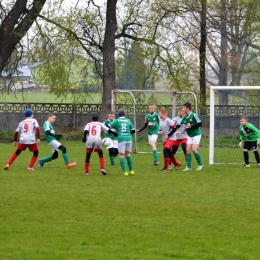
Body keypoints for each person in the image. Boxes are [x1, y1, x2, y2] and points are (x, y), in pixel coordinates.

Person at [82, 112, 117, 176]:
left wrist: (84, 138)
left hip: (90, 139)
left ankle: (86, 172)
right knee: (100, 154)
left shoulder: (88, 124)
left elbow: (86, 131)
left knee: (88, 155)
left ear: (91, 118)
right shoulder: (100, 124)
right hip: (98, 139)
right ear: (98, 118)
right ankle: (102, 168)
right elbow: (108, 130)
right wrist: (115, 134)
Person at [175, 102, 204, 171]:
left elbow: (200, 124)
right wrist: (172, 129)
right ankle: (189, 167)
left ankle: (201, 164)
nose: (183, 109)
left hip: (196, 134)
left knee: (194, 149)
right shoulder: (185, 117)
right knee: (187, 149)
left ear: (188, 109)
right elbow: (179, 125)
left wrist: (192, 126)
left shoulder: (194, 115)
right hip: (190, 135)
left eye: (184, 108)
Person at [109, 108, 135, 176]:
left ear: (118, 115)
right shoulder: (128, 120)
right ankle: (131, 170)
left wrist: (113, 131)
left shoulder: (117, 121)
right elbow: (133, 130)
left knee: (121, 154)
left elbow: (109, 126)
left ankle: (125, 171)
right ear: (125, 114)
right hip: (129, 138)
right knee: (128, 154)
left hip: (121, 138)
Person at [158, 107, 181, 171]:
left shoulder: (168, 120)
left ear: (164, 114)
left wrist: (168, 135)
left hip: (172, 138)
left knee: (165, 150)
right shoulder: (160, 121)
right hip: (165, 138)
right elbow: (161, 129)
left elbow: (174, 128)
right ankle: (176, 164)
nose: (159, 115)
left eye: (160, 114)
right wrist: (160, 132)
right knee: (169, 152)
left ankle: (166, 167)